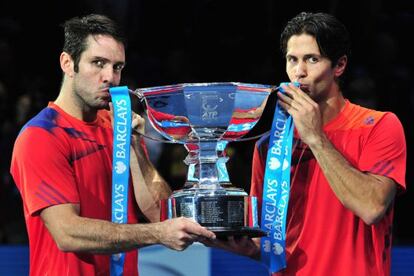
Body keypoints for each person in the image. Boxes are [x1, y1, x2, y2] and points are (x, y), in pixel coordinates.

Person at [10, 14, 215, 276]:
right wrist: (156, 235)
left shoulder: (118, 126)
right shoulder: (41, 137)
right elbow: (67, 233)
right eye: (98, 63)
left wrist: (134, 146)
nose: (110, 77)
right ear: (67, 63)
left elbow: (160, 214)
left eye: (117, 67)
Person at [203, 12, 406, 276]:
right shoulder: (270, 146)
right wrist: (243, 246)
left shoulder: (379, 126)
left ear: (339, 65)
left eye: (312, 59)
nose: (299, 72)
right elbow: (267, 245)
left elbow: (371, 208)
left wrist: (315, 137)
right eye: (292, 60)